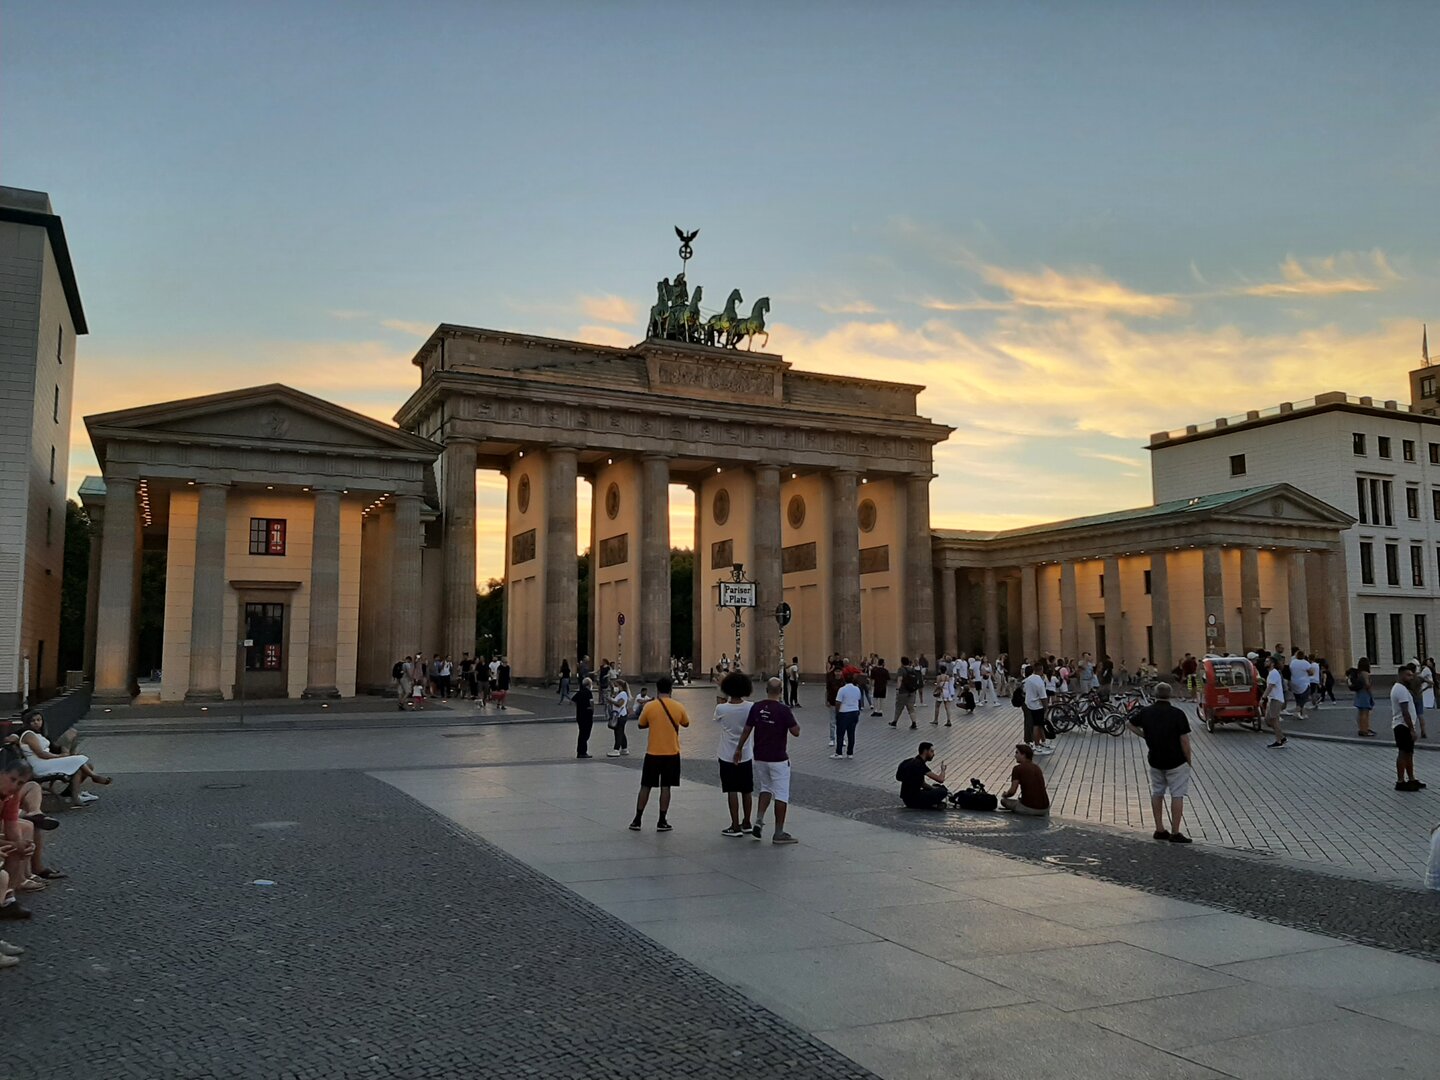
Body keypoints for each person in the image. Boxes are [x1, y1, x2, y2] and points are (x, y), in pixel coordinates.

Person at [736, 677, 800, 844]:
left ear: (766, 690)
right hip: (778, 757)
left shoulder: (756, 707)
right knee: (781, 794)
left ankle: (759, 820)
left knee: (766, 787)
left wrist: (739, 748)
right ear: (781, 691)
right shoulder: (784, 710)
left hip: (760, 756)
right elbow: (796, 732)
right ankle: (778, 832)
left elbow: (747, 729)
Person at [1127, 682, 1193, 843]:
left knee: (1157, 792)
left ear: (1155, 694)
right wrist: (1188, 759)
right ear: (1170, 694)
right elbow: (1184, 740)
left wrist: (1144, 735)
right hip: (1176, 760)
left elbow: (1129, 723)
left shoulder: (1146, 712)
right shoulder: (1177, 714)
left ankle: (1159, 829)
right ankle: (1175, 832)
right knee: (1177, 794)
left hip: (1155, 759)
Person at [630, 676, 689, 832]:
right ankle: (662, 820)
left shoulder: (649, 706)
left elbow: (641, 724)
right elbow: (686, 723)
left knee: (646, 786)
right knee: (666, 787)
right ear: (671, 689)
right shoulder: (678, 706)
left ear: (657, 689)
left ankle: (637, 819)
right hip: (671, 752)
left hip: (653, 752)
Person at [18, 711, 109, 805]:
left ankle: (76, 796)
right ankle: (94, 777)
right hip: (39, 765)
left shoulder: (38, 734)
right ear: (28, 722)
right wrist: (59, 756)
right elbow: (41, 754)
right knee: (78, 759)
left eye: (39, 720)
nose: (36, 723)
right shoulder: (29, 734)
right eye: (33, 721)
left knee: (78, 765)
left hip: (46, 762)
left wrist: (61, 755)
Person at [713, 671, 755, 837]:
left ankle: (735, 825)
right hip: (746, 753)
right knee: (746, 790)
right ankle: (747, 822)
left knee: (731, 789)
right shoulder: (751, 707)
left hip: (726, 753)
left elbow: (718, 720)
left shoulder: (721, 708)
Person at [1390, 665, 1426, 792]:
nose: (1411, 678)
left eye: (1411, 675)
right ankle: (1400, 781)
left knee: (1409, 753)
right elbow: (1405, 711)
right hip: (1402, 726)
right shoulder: (1400, 690)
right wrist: (1411, 729)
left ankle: (1411, 779)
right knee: (1403, 752)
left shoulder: (1403, 688)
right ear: (1401, 675)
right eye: (1408, 675)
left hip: (1404, 725)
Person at [1000, 744, 1050, 816]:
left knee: (1004, 801)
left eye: (1017, 753)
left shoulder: (1017, 769)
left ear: (1023, 755)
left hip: (1030, 808)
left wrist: (1005, 794)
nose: (1015, 756)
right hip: (1045, 808)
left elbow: (1012, 791)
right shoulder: (1037, 768)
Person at [896, 742, 948, 809]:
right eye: (931, 751)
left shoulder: (909, 761)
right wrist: (943, 770)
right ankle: (933, 805)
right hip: (915, 799)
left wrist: (933, 788)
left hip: (906, 799)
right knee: (943, 791)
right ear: (925, 751)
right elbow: (940, 779)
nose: (933, 754)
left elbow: (922, 783)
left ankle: (934, 803)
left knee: (936, 787)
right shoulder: (920, 764)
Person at [1021, 663, 1051, 755]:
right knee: (1037, 725)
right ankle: (1037, 745)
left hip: (1028, 703)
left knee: (1038, 724)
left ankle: (1043, 742)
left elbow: (1023, 690)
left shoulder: (1028, 679)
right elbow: (1043, 696)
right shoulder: (1039, 681)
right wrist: (1046, 708)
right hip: (1036, 705)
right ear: (1041, 670)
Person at [833, 672, 863, 758]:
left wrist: (837, 712)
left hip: (844, 712)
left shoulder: (842, 689)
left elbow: (838, 702)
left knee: (840, 733)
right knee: (851, 733)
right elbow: (859, 700)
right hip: (854, 712)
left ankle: (839, 753)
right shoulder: (857, 689)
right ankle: (850, 753)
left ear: (844, 680)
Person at [889, 656, 921, 730]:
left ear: (902, 662)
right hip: (912, 691)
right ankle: (914, 722)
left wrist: (897, 689)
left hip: (903, 691)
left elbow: (899, 679)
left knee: (899, 707)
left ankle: (895, 721)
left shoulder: (901, 669)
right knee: (911, 708)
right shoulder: (912, 669)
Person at [1263, 655, 1287, 748]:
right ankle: (1281, 737)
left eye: (1267, 661)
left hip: (1276, 699)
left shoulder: (1274, 673)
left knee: (1273, 720)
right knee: (1268, 720)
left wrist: (1263, 697)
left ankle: (1279, 741)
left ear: (1272, 663)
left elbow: (1270, 687)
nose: (1265, 663)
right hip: (1272, 699)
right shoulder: (1271, 673)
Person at [606, 679, 630, 757]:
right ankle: (624, 748)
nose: (615, 687)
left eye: (616, 685)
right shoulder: (619, 694)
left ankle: (616, 749)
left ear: (620, 686)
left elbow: (619, 704)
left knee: (618, 732)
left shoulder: (623, 694)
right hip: (620, 715)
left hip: (620, 715)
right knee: (621, 732)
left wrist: (611, 700)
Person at [1351, 657, 1375, 736]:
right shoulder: (1365, 673)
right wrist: (1370, 693)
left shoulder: (1359, 673)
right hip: (1365, 694)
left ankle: (1361, 729)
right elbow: (1367, 685)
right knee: (1365, 713)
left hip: (1359, 693)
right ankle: (1365, 730)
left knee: (1361, 713)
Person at [572, 677, 595, 758]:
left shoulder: (580, 692)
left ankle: (580, 751)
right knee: (585, 734)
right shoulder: (588, 692)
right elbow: (591, 703)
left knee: (581, 733)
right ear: (589, 684)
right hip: (587, 715)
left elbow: (573, 700)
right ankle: (583, 752)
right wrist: (591, 710)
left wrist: (579, 706)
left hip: (580, 715)